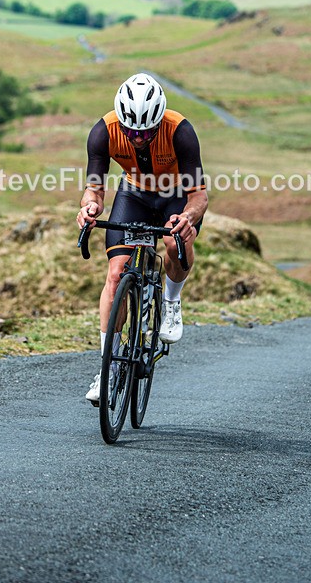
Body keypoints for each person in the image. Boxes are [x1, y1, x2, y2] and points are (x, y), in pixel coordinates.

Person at [76, 72, 208, 404]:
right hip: (134, 195)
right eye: (131, 131)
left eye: (146, 132)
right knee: (117, 273)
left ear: (159, 119)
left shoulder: (180, 132)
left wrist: (188, 218)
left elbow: (199, 196)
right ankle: (106, 370)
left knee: (173, 244)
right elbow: (95, 187)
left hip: (176, 197)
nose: (137, 138)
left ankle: (172, 300)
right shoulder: (103, 132)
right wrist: (90, 206)